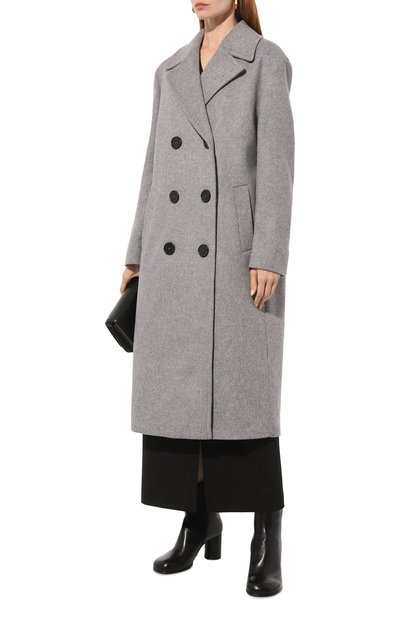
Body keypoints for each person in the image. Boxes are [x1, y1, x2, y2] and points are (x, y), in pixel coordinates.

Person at [120, 0, 294, 597]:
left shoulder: (265, 60)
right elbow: (152, 170)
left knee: (246, 398)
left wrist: (268, 251)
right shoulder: (169, 70)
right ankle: (198, 519)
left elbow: (277, 165)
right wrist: (136, 254)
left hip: (236, 257)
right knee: (178, 399)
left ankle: (267, 535)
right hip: (171, 261)